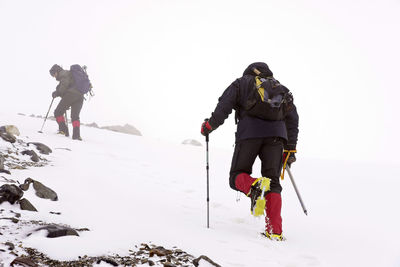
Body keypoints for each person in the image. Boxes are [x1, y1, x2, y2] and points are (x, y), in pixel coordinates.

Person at [201, 62, 299, 241]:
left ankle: (254, 186)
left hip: (249, 134)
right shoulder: (282, 89)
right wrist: (290, 150)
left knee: (237, 176)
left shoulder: (242, 83)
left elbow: (224, 105)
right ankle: (275, 231)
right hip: (277, 137)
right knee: (273, 182)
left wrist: (209, 126)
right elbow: (293, 119)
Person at [49, 64, 84, 140]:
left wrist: (57, 93)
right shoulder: (70, 74)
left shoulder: (63, 73)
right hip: (80, 96)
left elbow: (63, 87)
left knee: (58, 112)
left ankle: (63, 130)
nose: (54, 76)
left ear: (56, 71)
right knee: (75, 116)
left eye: (53, 74)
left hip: (71, 95)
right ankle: (76, 136)